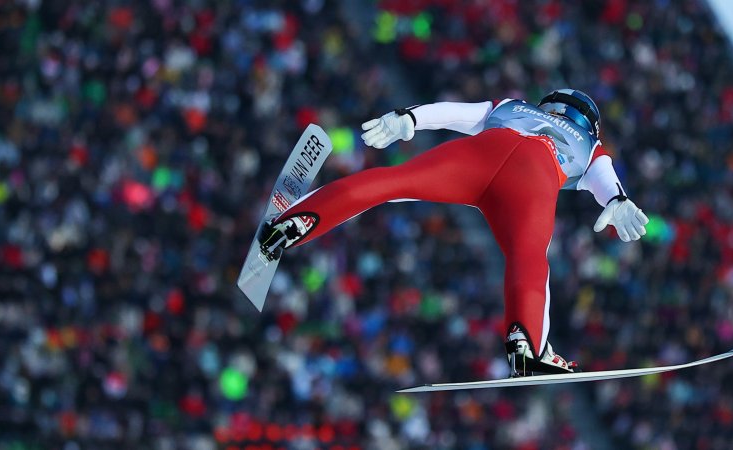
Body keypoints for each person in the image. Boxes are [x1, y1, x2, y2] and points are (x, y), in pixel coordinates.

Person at [258, 89, 649, 376]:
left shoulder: (515, 107)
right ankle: (525, 344)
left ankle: (295, 222)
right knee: (528, 257)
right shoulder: (589, 144)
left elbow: (455, 113)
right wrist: (617, 201)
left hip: (481, 155)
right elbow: (604, 177)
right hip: (534, 176)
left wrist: (409, 118)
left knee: (393, 182)